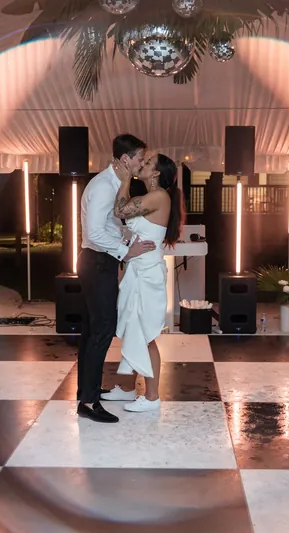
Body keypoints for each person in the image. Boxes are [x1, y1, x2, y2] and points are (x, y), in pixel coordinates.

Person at [76, 134, 156, 424]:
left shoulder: (112, 184)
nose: (141, 163)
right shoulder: (102, 187)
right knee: (102, 331)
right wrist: (127, 251)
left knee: (92, 332)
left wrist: (125, 235)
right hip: (97, 264)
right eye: (139, 158)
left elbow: (107, 226)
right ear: (125, 159)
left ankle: (87, 391)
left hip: (98, 262)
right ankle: (88, 402)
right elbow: (95, 233)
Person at [100, 152, 184, 412]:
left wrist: (124, 179)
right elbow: (125, 216)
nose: (142, 165)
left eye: (148, 164)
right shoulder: (146, 197)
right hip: (136, 271)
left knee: (146, 335)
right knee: (132, 331)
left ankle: (152, 397)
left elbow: (119, 210)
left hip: (148, 275)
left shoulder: (159, 197)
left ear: (157, 173)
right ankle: (126, 388)